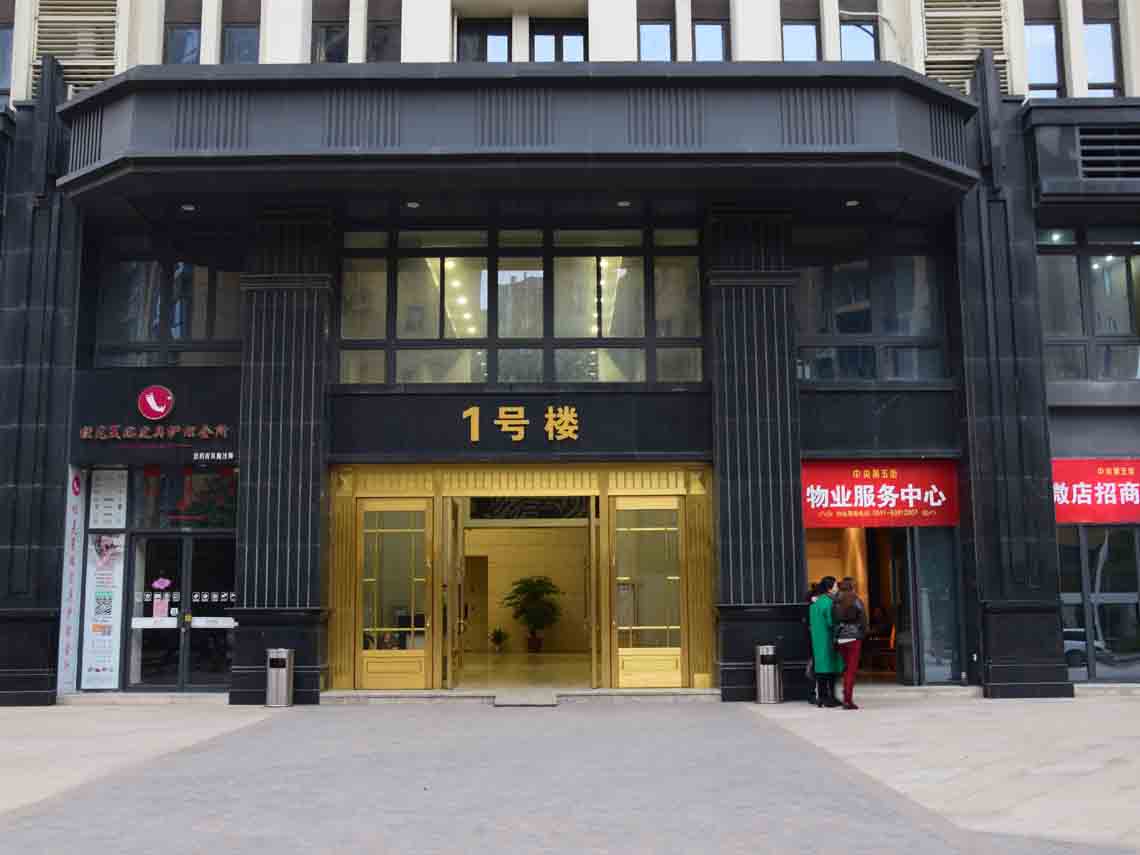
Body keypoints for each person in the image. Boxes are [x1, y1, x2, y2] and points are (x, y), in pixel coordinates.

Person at [833, 577, 869, 710]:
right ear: (852, 587)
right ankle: (847, 700)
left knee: (845, 668)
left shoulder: (836, 601)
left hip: (841, 637)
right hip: (854, 637)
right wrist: (863, 633)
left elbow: (834, 620)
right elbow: (863, 619)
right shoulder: (856, 600)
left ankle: (845, 694)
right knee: (851, 670)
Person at [808, 576, 843, 708]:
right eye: (835, 585)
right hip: (828, 639)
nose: (837, 588)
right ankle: (830, 698)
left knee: (821, 669)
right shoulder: (829, 602)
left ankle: (822, 697)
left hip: (816, 639)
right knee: (831, 670)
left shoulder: (815, 603)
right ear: (830, 588)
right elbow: (831, 621)